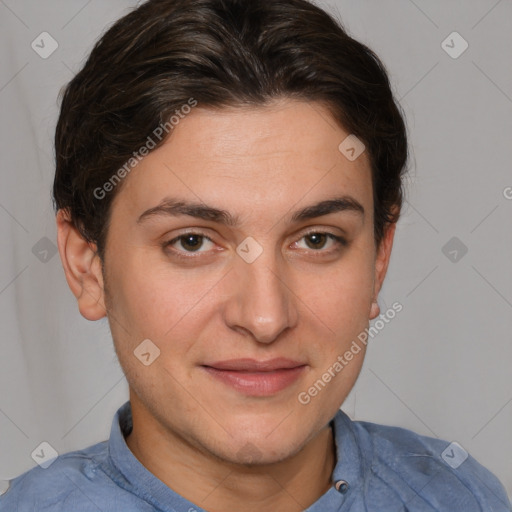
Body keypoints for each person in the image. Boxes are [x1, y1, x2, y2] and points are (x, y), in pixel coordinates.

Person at [1, 0, 510, 510]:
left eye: (316, 239)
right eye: (192, 241)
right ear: (87, 266)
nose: (265, 318)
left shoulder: (461, 495)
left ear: (379, 258)